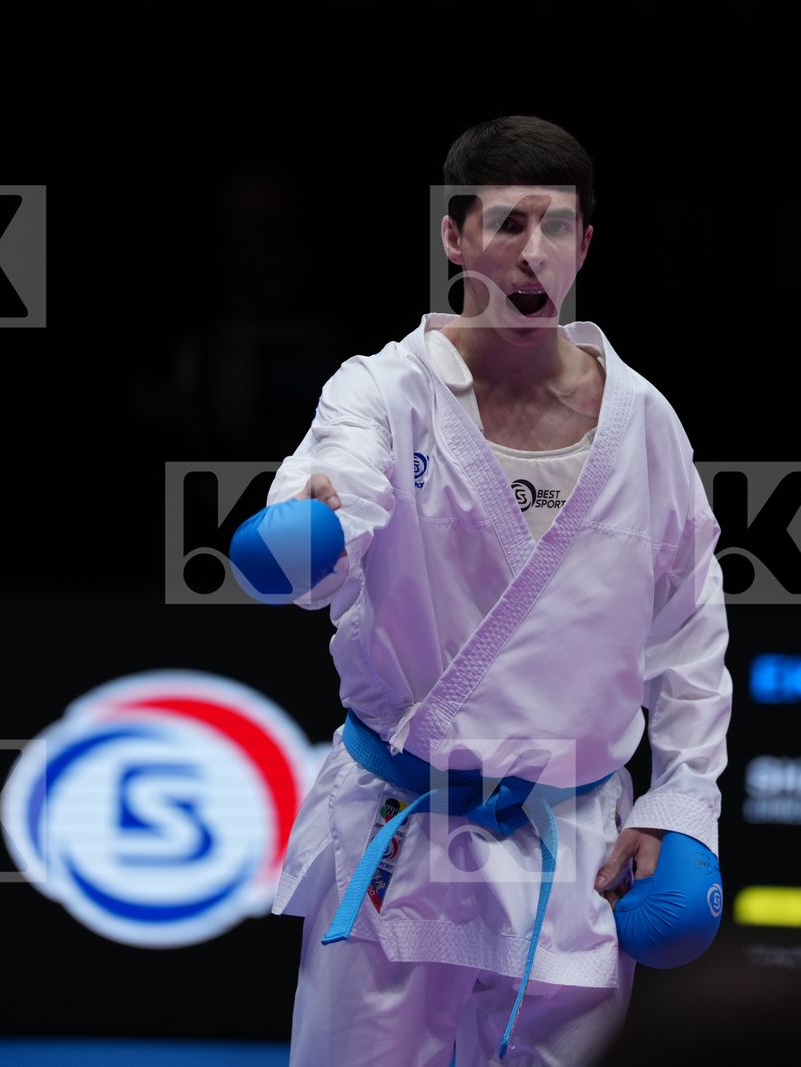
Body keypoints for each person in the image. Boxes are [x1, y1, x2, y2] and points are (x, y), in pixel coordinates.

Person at [261, 115, 732, 1066]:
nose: (532, 254)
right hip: (404, 840)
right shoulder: (382, 393)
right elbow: (334, 488)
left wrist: (683, 805)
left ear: (586, 245)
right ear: (454, 234)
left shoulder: (644, 420)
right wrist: (308, 530)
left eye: (555, 228)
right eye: (508, 224)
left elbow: (687, 626)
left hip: (574, 848)